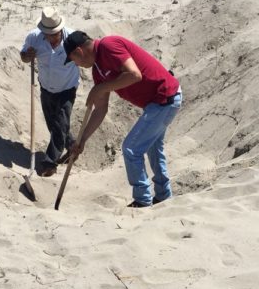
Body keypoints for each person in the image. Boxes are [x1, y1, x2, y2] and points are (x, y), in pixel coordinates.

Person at [64, 31, 181, 207]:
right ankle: (163, 196)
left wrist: (100, 88)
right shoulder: (98, 70)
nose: (77, 65)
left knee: (131, 148)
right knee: (153, 148)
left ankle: (143, 201)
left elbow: (134, 74)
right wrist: (82, 141)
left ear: (79, 52)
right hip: (156, 104)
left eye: (74, 60)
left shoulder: (109, 45)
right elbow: (100, 109)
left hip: (165, 97)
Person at [20, 7, 80, 177]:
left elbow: (86, 57)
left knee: (60, 123)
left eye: (56, 33)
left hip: (68, 87)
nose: (53, 37)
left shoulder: (72, 38)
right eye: (49, 34)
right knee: (53, 124)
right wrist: (27, 55)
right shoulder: (34, 38)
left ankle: (49, 163)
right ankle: (72, 145)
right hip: (46, 87)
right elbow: (23, 56)